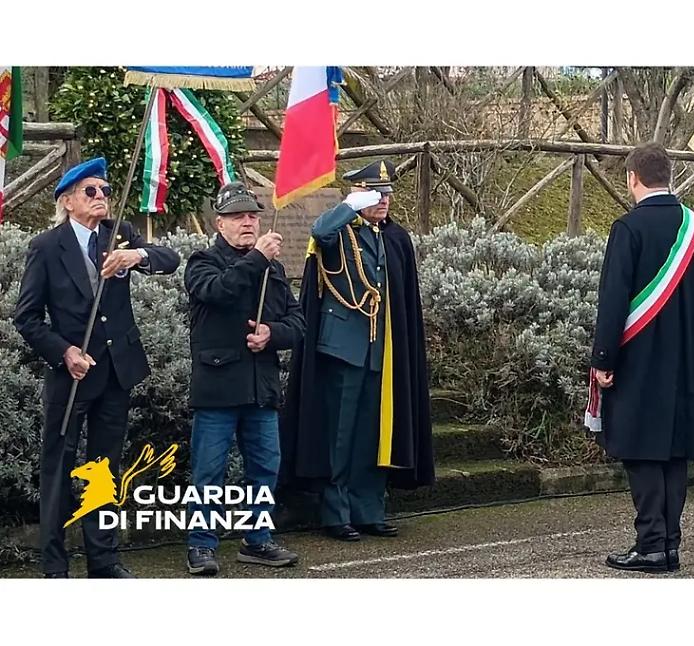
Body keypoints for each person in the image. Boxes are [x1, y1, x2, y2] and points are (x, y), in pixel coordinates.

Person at [12, 157, 180, 578]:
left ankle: (105, 562)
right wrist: (64, 351)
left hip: (115, 372)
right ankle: (55, 566)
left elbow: (170, 258)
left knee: (105, 469)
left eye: (104, 190)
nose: (102, 197)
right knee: (58, 469)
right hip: (70, 377)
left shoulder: (118, 235)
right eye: (91, 191)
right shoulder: (47, 247)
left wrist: (134, 255)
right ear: (68, 201)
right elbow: (27, 317)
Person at [280, 160, 434, 542]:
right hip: (344, 349)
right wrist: (350, 205)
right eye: (374, 193)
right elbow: (319, 230)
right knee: (340, 435)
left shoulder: (394, 237)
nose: (383, 200)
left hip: (383, 350)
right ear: (358, 194)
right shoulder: (341, 231)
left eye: (386, 194)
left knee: (373, 434)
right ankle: (336, 513)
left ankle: (369, 509)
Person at [587, 142, 694, 573]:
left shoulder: (628, 227)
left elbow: (613, 299)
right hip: (687, 362)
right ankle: (670, 542)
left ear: (632, 178)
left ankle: (651, 545)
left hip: (640, 361)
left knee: (642, 451)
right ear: (670, 175)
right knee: (674, 453)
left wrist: (603, 358)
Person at [182, 182, 305, 576]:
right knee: (209, 471)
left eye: (252, 215)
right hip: (218, 388)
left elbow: (297, 321)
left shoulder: (275, 268)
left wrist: (273, 334)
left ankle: (257, 539)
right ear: (220, 223)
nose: (248, 222)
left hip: (260, 387)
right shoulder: (202, 261)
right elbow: (218, 291)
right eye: (238, 217)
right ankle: (201, 545)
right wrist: (256, 259)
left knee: (266, 467)